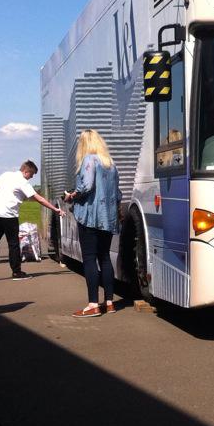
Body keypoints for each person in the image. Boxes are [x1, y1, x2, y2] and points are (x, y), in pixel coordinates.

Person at [65, 130, 122, 317]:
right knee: (104, 257)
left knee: (89, 259)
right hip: (108, 217)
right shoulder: (110, 164)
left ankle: (92, 305)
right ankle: (109, 302)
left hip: (90, 217)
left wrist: (72, 195)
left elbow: (87, 186)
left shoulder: (89, 160)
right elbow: (118, 193)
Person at [0, 160, 59, 281]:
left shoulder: (6, 175)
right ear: (26, 172)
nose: (31, 177)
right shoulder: (23, 182)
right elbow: (39, 199)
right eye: (31, 175)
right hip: (9, 216)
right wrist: (55, 209)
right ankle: (16, 272)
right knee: (14, 244)